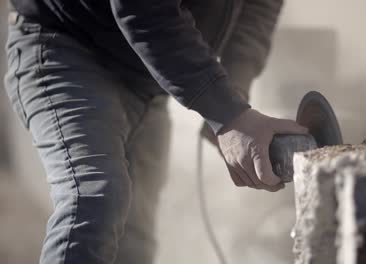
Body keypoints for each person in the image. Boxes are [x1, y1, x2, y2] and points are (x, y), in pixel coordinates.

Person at [4, 0, 307, 263]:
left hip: (148, 77)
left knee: (134, 235)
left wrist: (234, 96)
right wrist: (228, 114)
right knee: (96, 199)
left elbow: (258, 7)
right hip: (66, 45)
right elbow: (142, 9)